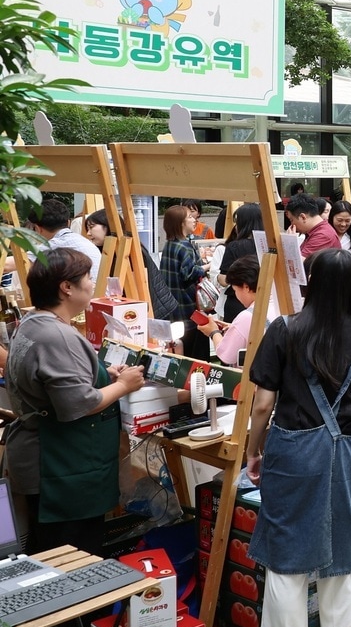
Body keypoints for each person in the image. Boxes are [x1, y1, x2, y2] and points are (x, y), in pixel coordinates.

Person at [245, 250, 351, 627]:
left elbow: (263, 404)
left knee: (288, 559)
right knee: (342, 554)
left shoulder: (285, 329)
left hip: (295, 453)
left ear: (312, 282)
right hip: (349, 453)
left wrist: (254, 450)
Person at [7, 249, 145, 555]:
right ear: (66, 287)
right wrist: (123, 385)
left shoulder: (32, 323)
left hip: (41, 459)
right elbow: (78, 403)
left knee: (46, 551)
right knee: (71, 561)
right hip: (59, 466)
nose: (91, 283)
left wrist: (103, 374)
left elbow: (57, 382)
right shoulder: (57, 336)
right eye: (86, 277)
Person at [200, 255, 280, 366]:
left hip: (254, 380)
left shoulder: (247, 317)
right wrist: (234, 327)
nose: (236, 295)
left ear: (246, 287)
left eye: (235, 290)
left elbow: (226, 355)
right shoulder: (280, 304)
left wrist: (213, 332)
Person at [30, 198, 101, 283]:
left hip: (87, 295)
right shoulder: (81, 240)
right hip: (101, 293)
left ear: (37, 229)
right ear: (68, 223)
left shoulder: (56, 243)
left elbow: (15, 263)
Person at [215, 204, 263, 321]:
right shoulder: (270, 245)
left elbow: (224, 280)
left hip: (238, 302)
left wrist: (217, 277)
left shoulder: (235, 246)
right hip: (265, 300)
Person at [160, 203, 206, 320]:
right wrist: (208, 266)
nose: (194, 220)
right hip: (186, 304)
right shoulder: (185, 246)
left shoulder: (169, 244)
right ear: (181, 223)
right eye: (190, 217)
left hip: (170, 304)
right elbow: (190, 274)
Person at [286, 193, 340, 260]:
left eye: (292, 220)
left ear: (303, 217)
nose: (292, 225)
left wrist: (290, 242)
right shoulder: (316, 231)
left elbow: (299, 264)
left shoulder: (323, 235)